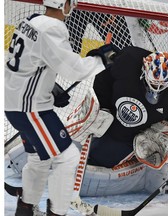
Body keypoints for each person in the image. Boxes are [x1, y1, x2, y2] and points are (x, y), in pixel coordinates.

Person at [4, 0, 118, 215]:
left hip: (16, 104)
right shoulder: (53, 28)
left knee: (40, 157)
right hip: (31, 109)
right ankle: (57, 212)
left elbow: (29, 62)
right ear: (64, 3)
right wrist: (101, 60)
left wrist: (49, 86)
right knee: (68, 157)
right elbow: (73, 69)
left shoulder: (31, 20)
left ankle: (26, 208)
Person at [66, 46, 168, 196]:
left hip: (129, 135)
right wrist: (104, 108)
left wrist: (154, 132)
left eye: (162, 86)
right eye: (152, 84)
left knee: (101, 159)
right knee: (70, 144)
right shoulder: (127, 61)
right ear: (143, 71)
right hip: (110, 114)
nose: (156, 90)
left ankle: (134, 162)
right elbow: (103, 78)